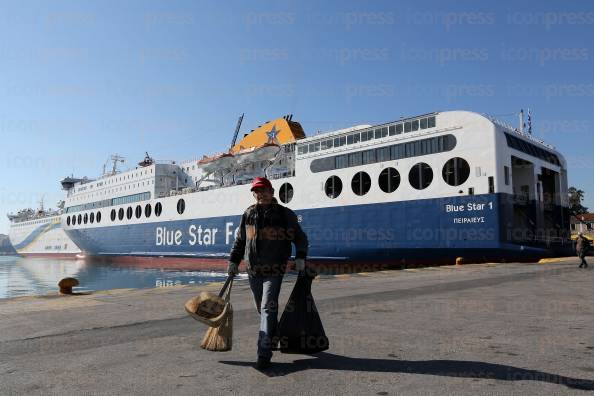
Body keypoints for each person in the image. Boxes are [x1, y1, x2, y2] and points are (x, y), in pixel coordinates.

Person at [227, 177, 308, 369]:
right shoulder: (249, 214)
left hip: (274, 269)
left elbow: (300, 237)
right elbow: (241, 241)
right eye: (257, 191)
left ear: (272, 192)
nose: (261, 194)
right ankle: (274, 335)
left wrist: (300, 257)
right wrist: (233, 261)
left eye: (264, 190)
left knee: (266, 308)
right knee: (261, 308)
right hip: (253, 270)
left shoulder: (284, 214)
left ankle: (263, 354)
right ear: (254, 194)